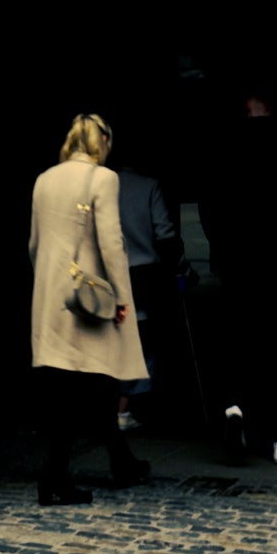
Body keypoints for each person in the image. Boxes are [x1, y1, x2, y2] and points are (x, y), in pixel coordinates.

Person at [29, 113, 151, 505]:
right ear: (104, 142)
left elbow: (33, 244)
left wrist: (50, 283)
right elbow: (112, 243)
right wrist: (118, 297)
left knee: (83, 385)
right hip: (89, 300)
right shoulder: (103, 178)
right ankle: (55, 479)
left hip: (52, 298)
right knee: (88, 385)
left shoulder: (44, 179)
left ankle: (120, 462)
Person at [199, 88, 277, 466]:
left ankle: (235, 411)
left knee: (239, 344)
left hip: (238, 263)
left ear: (245, 106)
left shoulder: (223, 150)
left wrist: (222, 246)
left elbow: (208, 207)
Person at [115, 153, 188, 432]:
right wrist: (181, 266)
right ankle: (130, 406)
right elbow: (165, 234)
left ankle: (122, 406)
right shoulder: (148, 186)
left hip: (109, 276)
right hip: (143, 274)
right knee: (145, 341)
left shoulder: (100, 186)